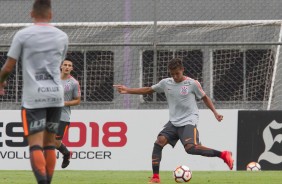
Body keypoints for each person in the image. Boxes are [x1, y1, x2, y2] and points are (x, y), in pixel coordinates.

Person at [113, 58, 234, 183]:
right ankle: (155, 177)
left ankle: (223, 154)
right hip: (174, 122)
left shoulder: (192, 83)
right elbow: (148, 90)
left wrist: (215, 113)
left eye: (177, 73)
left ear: (182, 70)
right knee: (159, 141)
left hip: (189, 121)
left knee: (190, 148)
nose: (175, 76)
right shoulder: (166, 83)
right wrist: (127, 90)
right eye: (172, 74)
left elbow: (205, 98)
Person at [0, 0, 68, 183]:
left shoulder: (23, 35)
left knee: (35, 144)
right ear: (51, 15)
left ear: (31, 14)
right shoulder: (62, 36)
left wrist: (0, 83)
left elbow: (8, 67)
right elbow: (59, 62)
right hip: (55, 95)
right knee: (49, 144)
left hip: (33, 98)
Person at [55, 59, 81, 168]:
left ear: (71, 68)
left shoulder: (74, 83)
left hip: (63, 116)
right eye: (65, 65)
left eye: (69, 65)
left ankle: (66, 154)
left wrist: (63, 103)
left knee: (55, 143)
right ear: (61, 67)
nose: (67, 67)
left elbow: (77, 100)